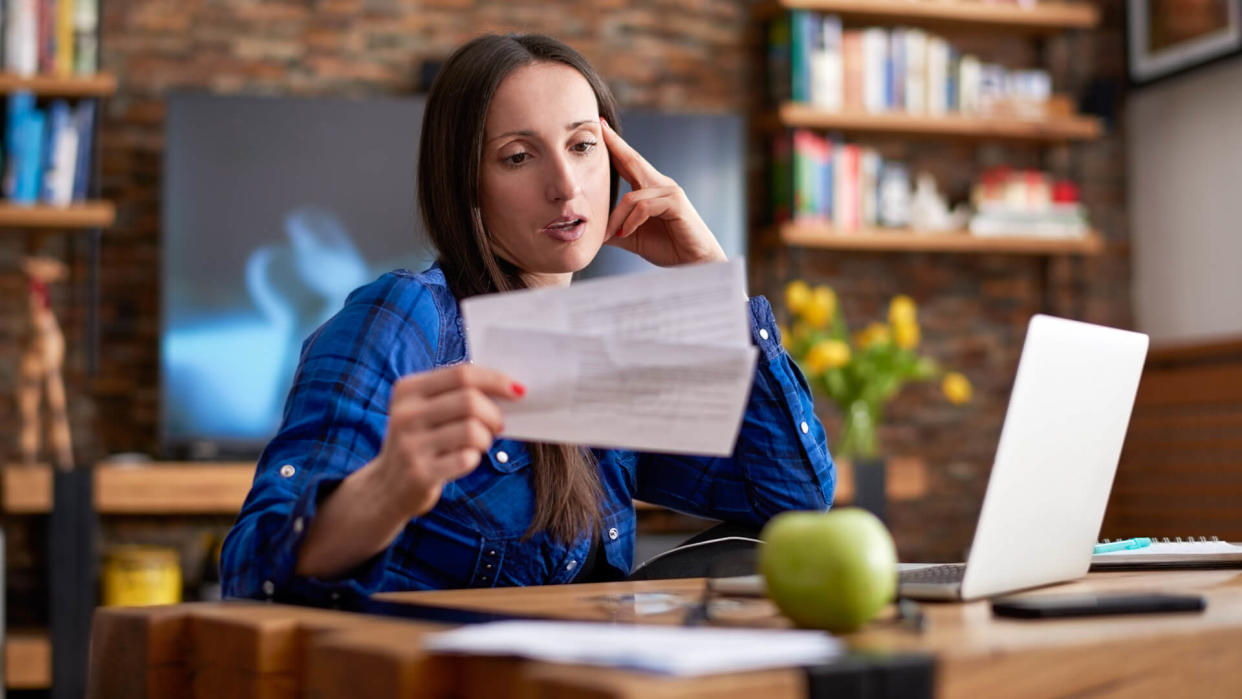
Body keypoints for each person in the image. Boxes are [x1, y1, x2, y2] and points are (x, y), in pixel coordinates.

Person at [221, 33, 834, 603]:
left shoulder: (601, 347)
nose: (565, 186)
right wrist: (389, 489)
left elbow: (791, 499)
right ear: (467, 184)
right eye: (518, 157)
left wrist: (718, 291)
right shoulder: (405, 315)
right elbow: (251, 572)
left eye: (582, 146)